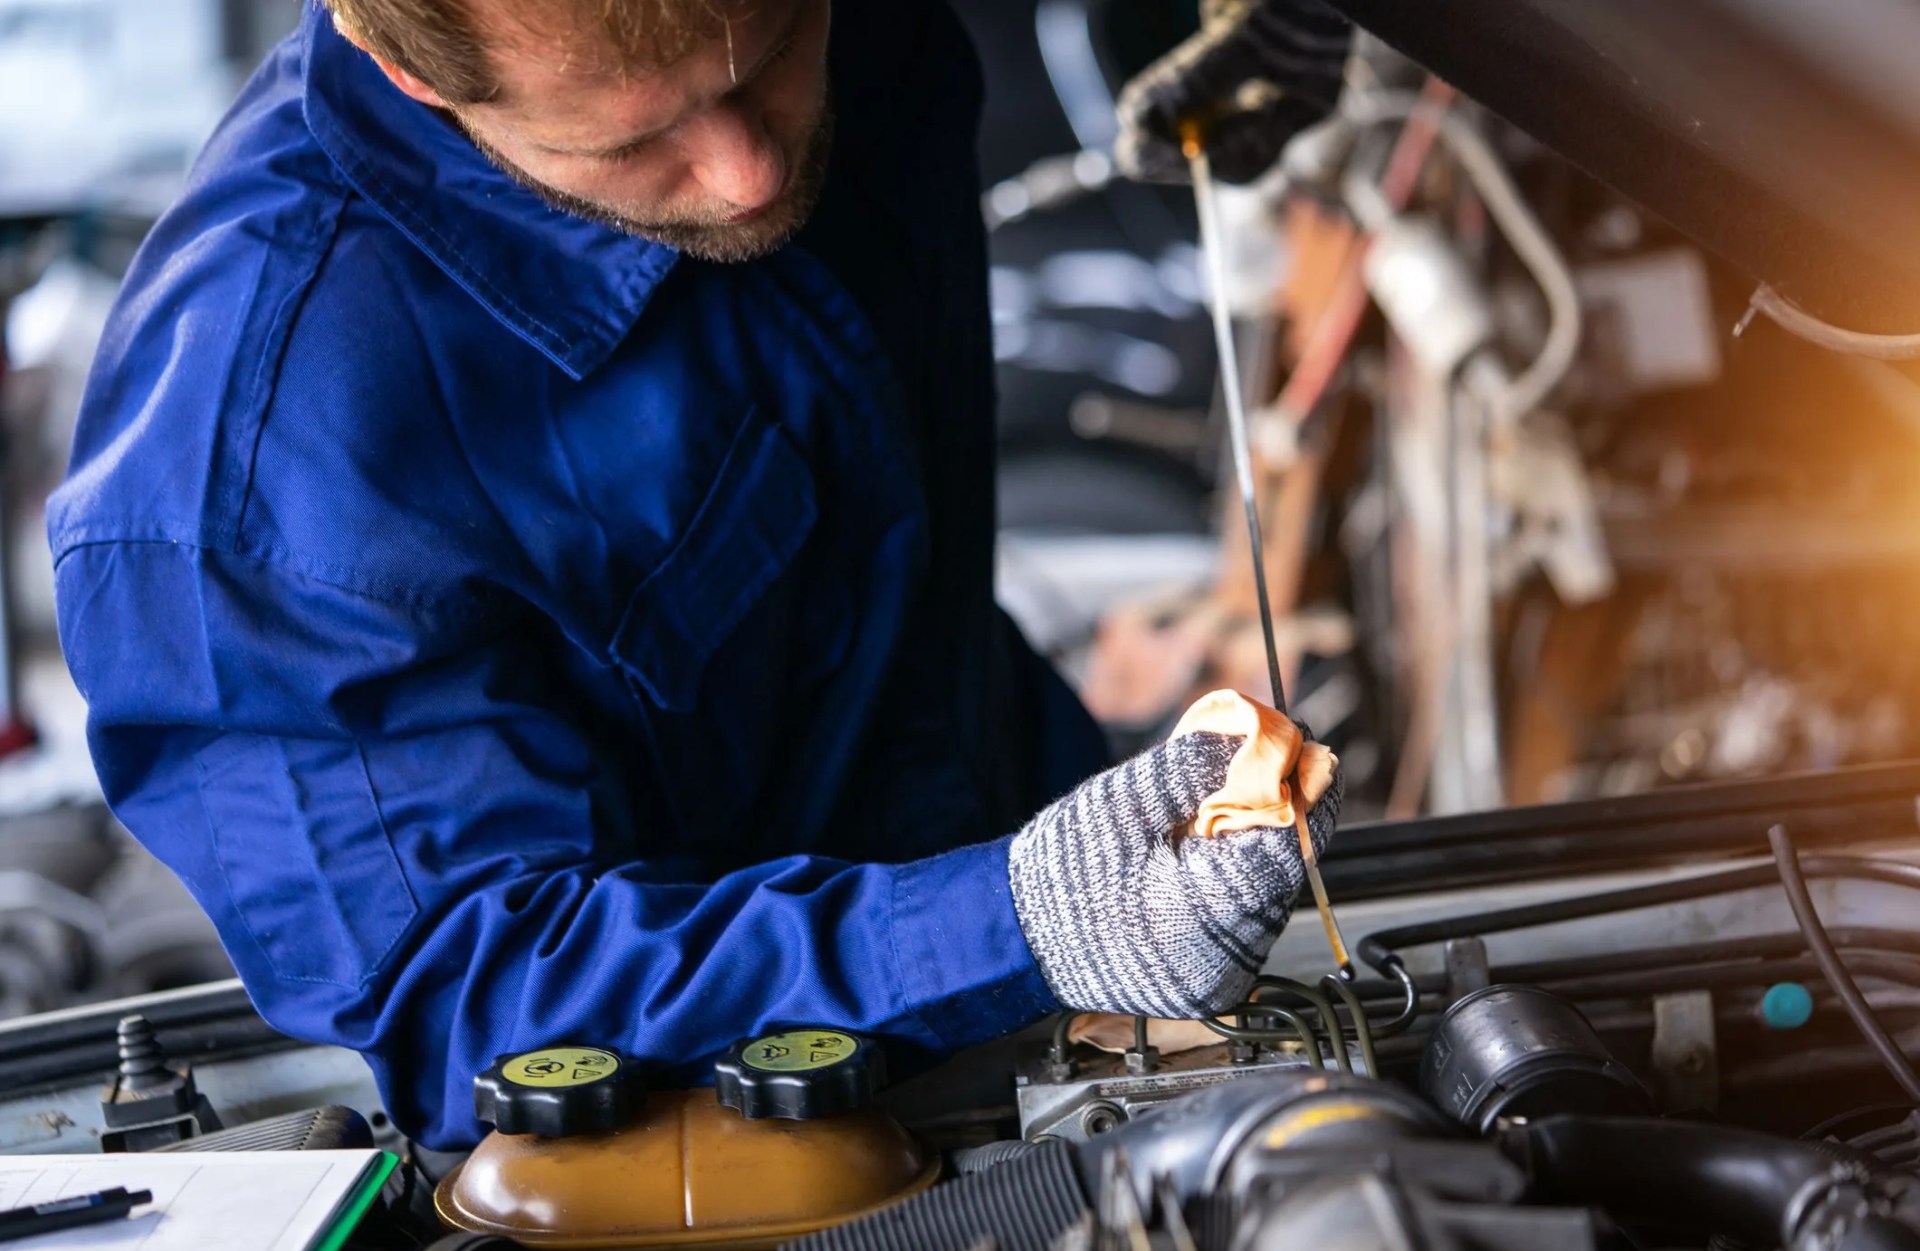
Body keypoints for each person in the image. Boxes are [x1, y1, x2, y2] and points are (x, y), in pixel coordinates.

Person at [50, 0, 1346, 1150]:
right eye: (630, 140)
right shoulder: (249, 485)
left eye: (773, 51)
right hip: (759, 1150)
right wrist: (1013, 926)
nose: (748, 170)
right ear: (408, 65)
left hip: (1055, 854)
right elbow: (476, 997)